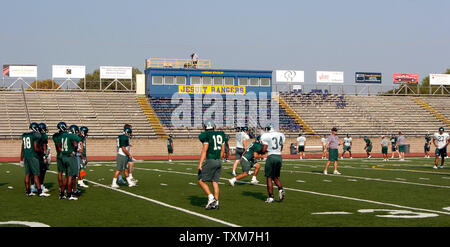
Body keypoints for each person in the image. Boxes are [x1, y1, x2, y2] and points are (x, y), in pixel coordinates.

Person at [197, 119, 227, 210]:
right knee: (215, 182)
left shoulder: (205, 135)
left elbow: (204, 150)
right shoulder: (221, 134)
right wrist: (219, 159)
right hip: (218, 160)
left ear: (205, 127)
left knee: (200, 179)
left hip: (210, 160)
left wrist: (200, 164)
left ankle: (211, 198)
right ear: (214, 126)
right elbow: (223, 151)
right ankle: (216, 203)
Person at [20, 122, 49, 197]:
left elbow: (22, 148)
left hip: (26, 156)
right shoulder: (36, 135)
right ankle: (40, 191)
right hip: (33, 156)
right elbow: (36, 148)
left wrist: (21, 159)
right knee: (36, 174)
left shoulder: (25, 135)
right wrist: (43, 152)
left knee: (27, 174)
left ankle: (28, 191)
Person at [261, 123, 286, 203]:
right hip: (279, 156)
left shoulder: (265, 136)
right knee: (275, 177)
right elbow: (281, 146)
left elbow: (264, 149)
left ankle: (271, 197)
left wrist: (260, 151)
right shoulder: (281, 135)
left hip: (271, 157)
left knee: (269, 177)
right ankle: (280, 189)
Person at [60, 124, 83, 200]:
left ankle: (62, 194)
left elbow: (60, 145)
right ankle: (69, 195)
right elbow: (76, 144)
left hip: (64, 157)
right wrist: (73, 151)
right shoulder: (72, 136)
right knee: (70, 176)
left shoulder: (63, 135)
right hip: (70, 157)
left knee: (66, 176)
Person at [53, 121, 67, 199]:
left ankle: (60, 186)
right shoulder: (65, 135)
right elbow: (60, 146)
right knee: (68, 173)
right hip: (64, 154)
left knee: (60, 172)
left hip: (58, 155)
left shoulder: (55, 135)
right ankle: (64, 188)